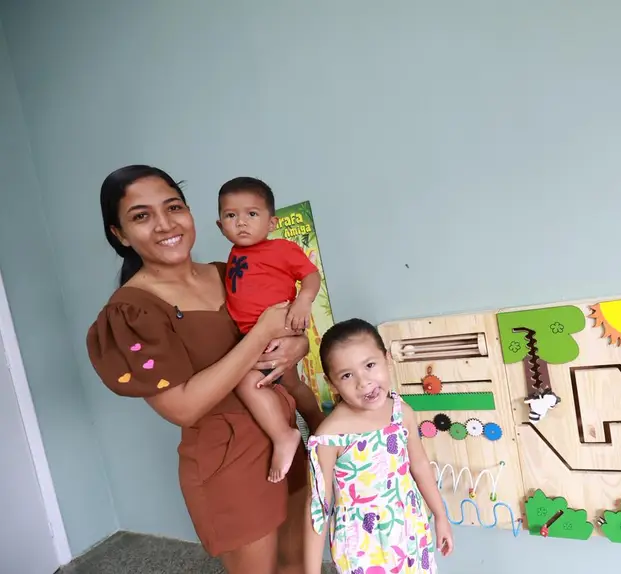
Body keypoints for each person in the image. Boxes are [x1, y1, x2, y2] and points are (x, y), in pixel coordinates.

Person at [85, 165, 325, 574]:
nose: (165, 224)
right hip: (227, 464)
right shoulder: (130, 311)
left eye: (173, 207)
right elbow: (183, 407)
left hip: (285, 441)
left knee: (300, 565)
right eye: (141, 216)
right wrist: (260, 336)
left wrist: (295, 345)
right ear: (120, 235)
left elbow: (286, 331)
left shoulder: (229, 271)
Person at [304, 318, 454, 574]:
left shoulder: (401, 412)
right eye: (347, 375)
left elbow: (419, 464)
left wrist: (440, 515)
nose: (363, 382)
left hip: (410, 532)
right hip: (363, 548)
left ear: (387, 359)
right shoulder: (329, 437)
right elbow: (318, 507)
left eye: (370, 365)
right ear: (331, 383)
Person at [216, 176, 321, 483]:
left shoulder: (281, 248)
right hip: (255, 337)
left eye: (252, 213)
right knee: (290, 384)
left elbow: (311, 276)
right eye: (231, 215)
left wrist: (303, 301)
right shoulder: (233, 256)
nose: (241, 222)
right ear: (220, 226)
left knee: (250, 381)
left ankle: (286, 435)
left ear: (272, 222)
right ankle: (316, 424)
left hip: (279, 329)